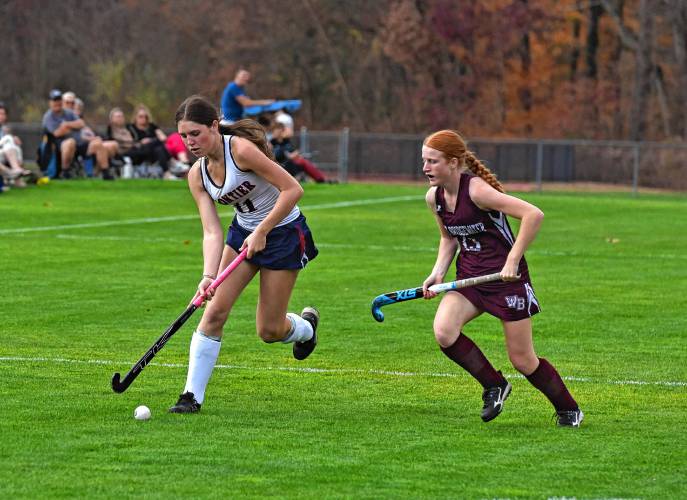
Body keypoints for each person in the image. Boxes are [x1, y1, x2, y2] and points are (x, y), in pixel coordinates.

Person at [420, 129, 583, 427]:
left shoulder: (477, 191)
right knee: (444, 331)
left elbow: (534, 214)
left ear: (454, 163)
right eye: (424, 161)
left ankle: (568, 409)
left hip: (506, 279)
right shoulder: (435, 198)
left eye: (433, 161)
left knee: (522, 359)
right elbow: (448, 239)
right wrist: (437, 273)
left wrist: (513, 260)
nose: (426, 168)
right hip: (469, 278)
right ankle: (494, 385)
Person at [169, 95, 319, 413]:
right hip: (243, 234)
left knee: (269, 330)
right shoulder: (197, 175)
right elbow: (211, 231)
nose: (189, 142)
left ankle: (306, 329)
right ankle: (190, 397)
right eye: (184, 136)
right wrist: (208, 276)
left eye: (195, 133)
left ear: (213, 126)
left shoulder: (239, 149)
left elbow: (293, 189)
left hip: (282, 233)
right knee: (214, 312)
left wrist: (263, 230)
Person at [41, 89, 114, 179]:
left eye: (59, 100)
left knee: (98, 143)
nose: (57, 103)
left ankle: (105, 173)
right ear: (50, 102)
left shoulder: (68, 112)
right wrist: (73, 127)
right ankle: (66, 172)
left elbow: (81, 123)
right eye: (55, 100)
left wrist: (67, 124)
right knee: (70, 142)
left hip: (80, 142)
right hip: (61, 146)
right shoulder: (48, 117)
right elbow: (57, 133)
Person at [128, 104, 176, 179]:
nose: (143, 119)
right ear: (135, 117)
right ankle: (172, 162)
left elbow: (163, 138)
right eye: (140, 116)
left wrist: (150, 141)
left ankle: (167, 173)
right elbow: (129, 143)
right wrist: (141, 142)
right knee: (156, 143)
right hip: (138, 153)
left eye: (145, 117)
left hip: (152, 153)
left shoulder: (152, 126)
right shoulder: (131, 127)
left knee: (159, 149)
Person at [0, 102, 31, 187]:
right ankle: (16, 172)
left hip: (3, 155)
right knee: (8, 139)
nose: (1, 116)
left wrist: (14, 140)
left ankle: (16, 174)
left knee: (15, 145)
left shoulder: (5, 129)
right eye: (0, 114)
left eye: (3, 114)